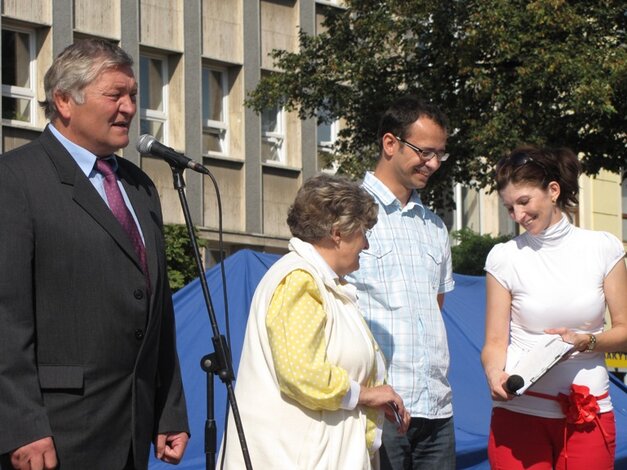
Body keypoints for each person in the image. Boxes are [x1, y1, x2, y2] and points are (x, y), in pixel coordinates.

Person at [0, 39, 189, 469]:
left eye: (134, 96)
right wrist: (22, 425)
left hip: (132, 431)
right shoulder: (15, 180)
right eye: (115, 95)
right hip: (55, 433)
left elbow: (157, 311)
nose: (128, 108)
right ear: (65, 101)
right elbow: (5, 320)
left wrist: (169, 408)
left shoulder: (140, 188)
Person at [219, 174, 410, 469]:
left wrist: (369, 397)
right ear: (338, 232)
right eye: (363, 232)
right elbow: (302, 373)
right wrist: (368, 394)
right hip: (292, 458)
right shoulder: (299, 280)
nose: (367, 244)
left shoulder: (324, 283)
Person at [481, 145, 627, 469]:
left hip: (587, 414)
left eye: (523, 202)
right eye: (509, 208)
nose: (518, 216)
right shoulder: (504, 257)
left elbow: (625, 333)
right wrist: (494, 374)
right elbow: (494, 342)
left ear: (553, 191)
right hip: (519, 414)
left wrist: (585, 340)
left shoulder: (603, 248)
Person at [346, 95, 456, 469]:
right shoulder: (348, 213)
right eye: (425, 151)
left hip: (436, 407)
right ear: (390, 143)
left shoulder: (434, 226)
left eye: (440, 153)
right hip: (378, 405)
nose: (434, 163)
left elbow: (435, 307)